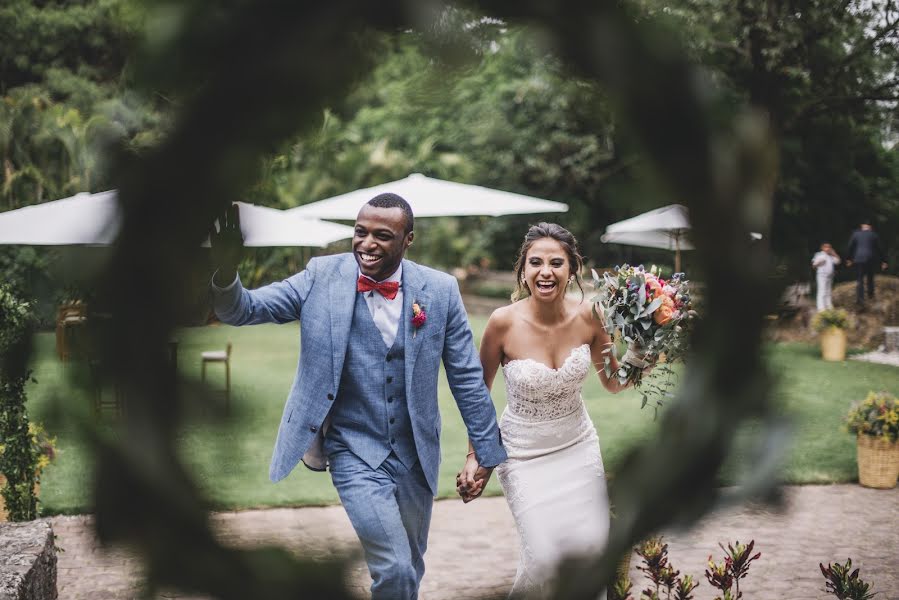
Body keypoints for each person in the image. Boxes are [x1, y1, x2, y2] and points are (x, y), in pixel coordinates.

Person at [209, 194, 506, 599]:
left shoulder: (440, 290)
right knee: (396, 567)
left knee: (410, 568)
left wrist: (484, 455)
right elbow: (243, 310)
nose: (366, 243)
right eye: (360, 232)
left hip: (415, 454)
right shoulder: (320, 276)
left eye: (382, 236)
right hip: (353, 451)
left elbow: (468, 379)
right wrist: (227, 272)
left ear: (408, 240)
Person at [457, 223, 647, 599]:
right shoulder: (501, 323)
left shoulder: (591, 316)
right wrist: (474, 455)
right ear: (523, 271)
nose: (546, 271)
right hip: (523, 454)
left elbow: (612, 381)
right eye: (536, 262)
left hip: (578, 448)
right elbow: (478, 393)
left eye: (556, 263)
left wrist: (642, 354)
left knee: (590, 556)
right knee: (544, 559)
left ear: (572, 269)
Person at [846, 220, 888, 306]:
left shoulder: (855, 234)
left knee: (860, 279)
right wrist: (884, 261)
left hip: (858, 259)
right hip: (870, 259)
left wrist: (849, 259)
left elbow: (850, 246)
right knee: (870, 277)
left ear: (862, 226)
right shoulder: (874, 235)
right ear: (870, 227)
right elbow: (880, 249)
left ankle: (860, 299)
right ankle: (871, 296)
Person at [811, 242, 840, 311]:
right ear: (822, 248)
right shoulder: (819, 254)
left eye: (829, 247)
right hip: (822, 275)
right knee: (822, 291)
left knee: (828, 291)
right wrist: (819, 263)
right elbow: (813, 265)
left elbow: (838, 261)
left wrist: (834, 253)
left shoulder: (831, 256)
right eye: (826, 247)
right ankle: (821, 308)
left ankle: (829, 306)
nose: (828, 248)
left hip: (830, 276)